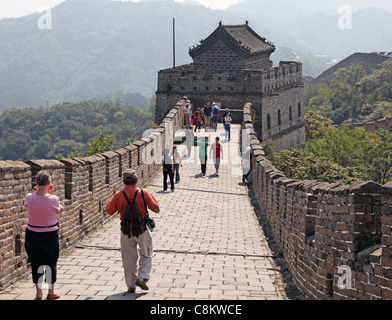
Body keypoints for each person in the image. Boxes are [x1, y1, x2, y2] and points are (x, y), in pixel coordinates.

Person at [106, 169, 160, 293]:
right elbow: (156, 208)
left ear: (124, 181)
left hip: (126, 230)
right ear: (136, 180)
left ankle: (131, 284)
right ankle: (142, 277)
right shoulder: (143, 192)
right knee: (146, 253)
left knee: (128, 257)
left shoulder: (119, 195)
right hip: (141, 229)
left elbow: (109, 210)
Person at [24, 170, 63, 300]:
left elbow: (28, 204)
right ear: (49, 183)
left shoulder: (29, 197)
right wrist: (50, 193)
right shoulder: (54, 199)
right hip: (49, 234)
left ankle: (39, 293)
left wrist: (37, 190)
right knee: (50, 262)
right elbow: (60, 210)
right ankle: (50, 292)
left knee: (36, 262)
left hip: (32, 234)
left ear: (36, 183)